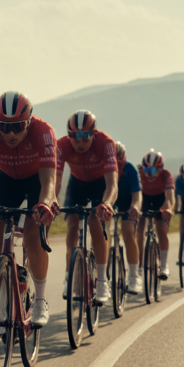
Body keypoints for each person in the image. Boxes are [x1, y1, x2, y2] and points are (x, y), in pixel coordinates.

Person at [0, 92, 58, 329]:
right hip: (5, 180)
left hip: (35, 182)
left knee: (33, 239)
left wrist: (45, 203)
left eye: (18, 127)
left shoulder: (43, 131)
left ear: (29, 122)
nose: (11, 134)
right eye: (4, 127)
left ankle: (40, 300)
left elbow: (49, 181)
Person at [55, 110, 117, 304]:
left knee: (94, 221)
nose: (80, 142)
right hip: (77, 184)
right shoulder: (62, 145)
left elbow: (112, 184)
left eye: (85, 137)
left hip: (100, 185)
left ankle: (102, 281)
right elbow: (55, 181)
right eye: (74, 136)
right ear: (68, 135)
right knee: (72, 226)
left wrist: (106, 203)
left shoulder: (105, 143)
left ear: (94, 134)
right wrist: (51, 200)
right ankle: (69, 275)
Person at [137, 150, 175, 280]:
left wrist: (168, 209)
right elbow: (135, 194)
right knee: (139, 231)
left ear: (160, 169)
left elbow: (170, 197)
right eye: (147, 171)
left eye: (153, 171)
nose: (150, 175)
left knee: (161, 232)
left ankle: (164, 265)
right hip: (145, 199)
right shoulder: (139, 174)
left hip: (160, 200)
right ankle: (140, 265)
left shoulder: (166, 175)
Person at [113, 142, 143, 294]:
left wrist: (135, 207)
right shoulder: (104, 167)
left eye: (120, 163)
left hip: (128, 205)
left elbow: (137, 194)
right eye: (114, 163)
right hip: (110, 204)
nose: (117, 166)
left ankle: (133, 276)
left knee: (128, 231)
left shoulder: (130, 169)